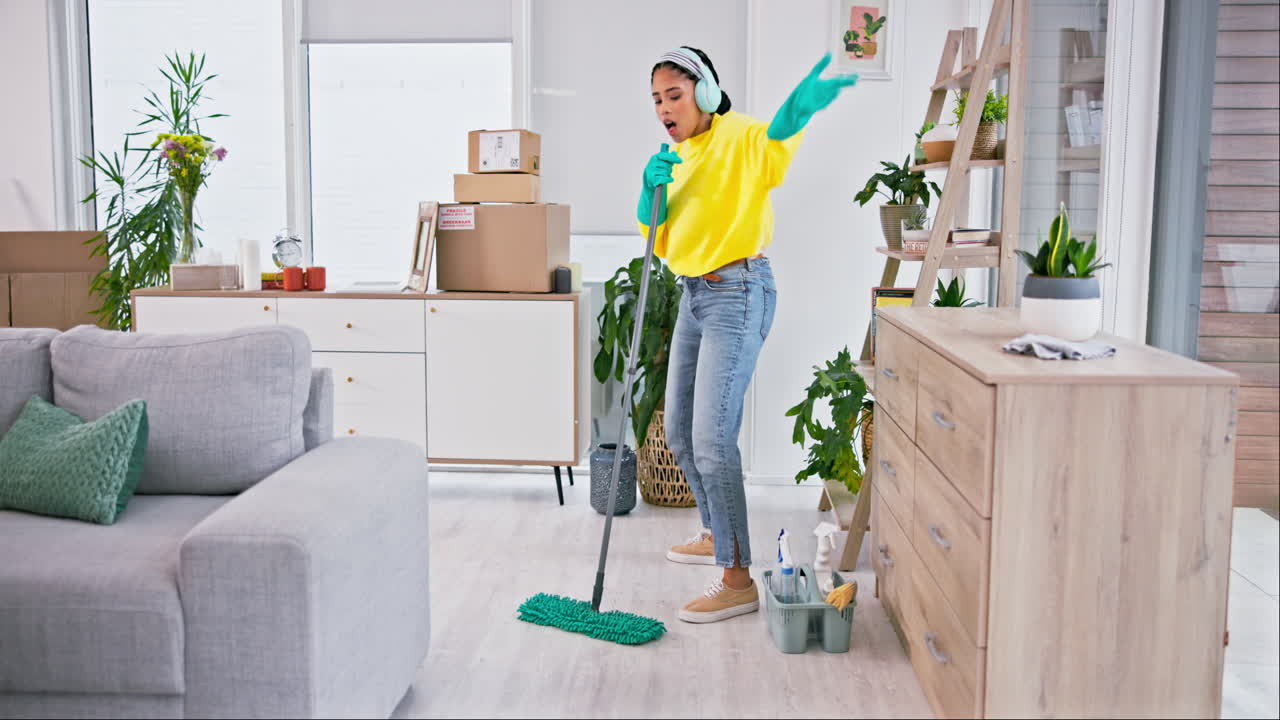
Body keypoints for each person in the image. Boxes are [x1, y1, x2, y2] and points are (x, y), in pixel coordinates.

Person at [639, 46, 858, 623]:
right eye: (657, 99)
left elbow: (775, 138)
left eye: (675, 94)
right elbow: (658, 236)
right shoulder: (676, 156)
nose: (664, 107)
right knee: (683, 433)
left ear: (706, 93)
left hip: (738, 292)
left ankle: (737, 579)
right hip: (693, 293)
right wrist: (649, 189)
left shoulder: (739, 137)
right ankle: (714, 532)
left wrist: (799, 109)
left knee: (713, 439)